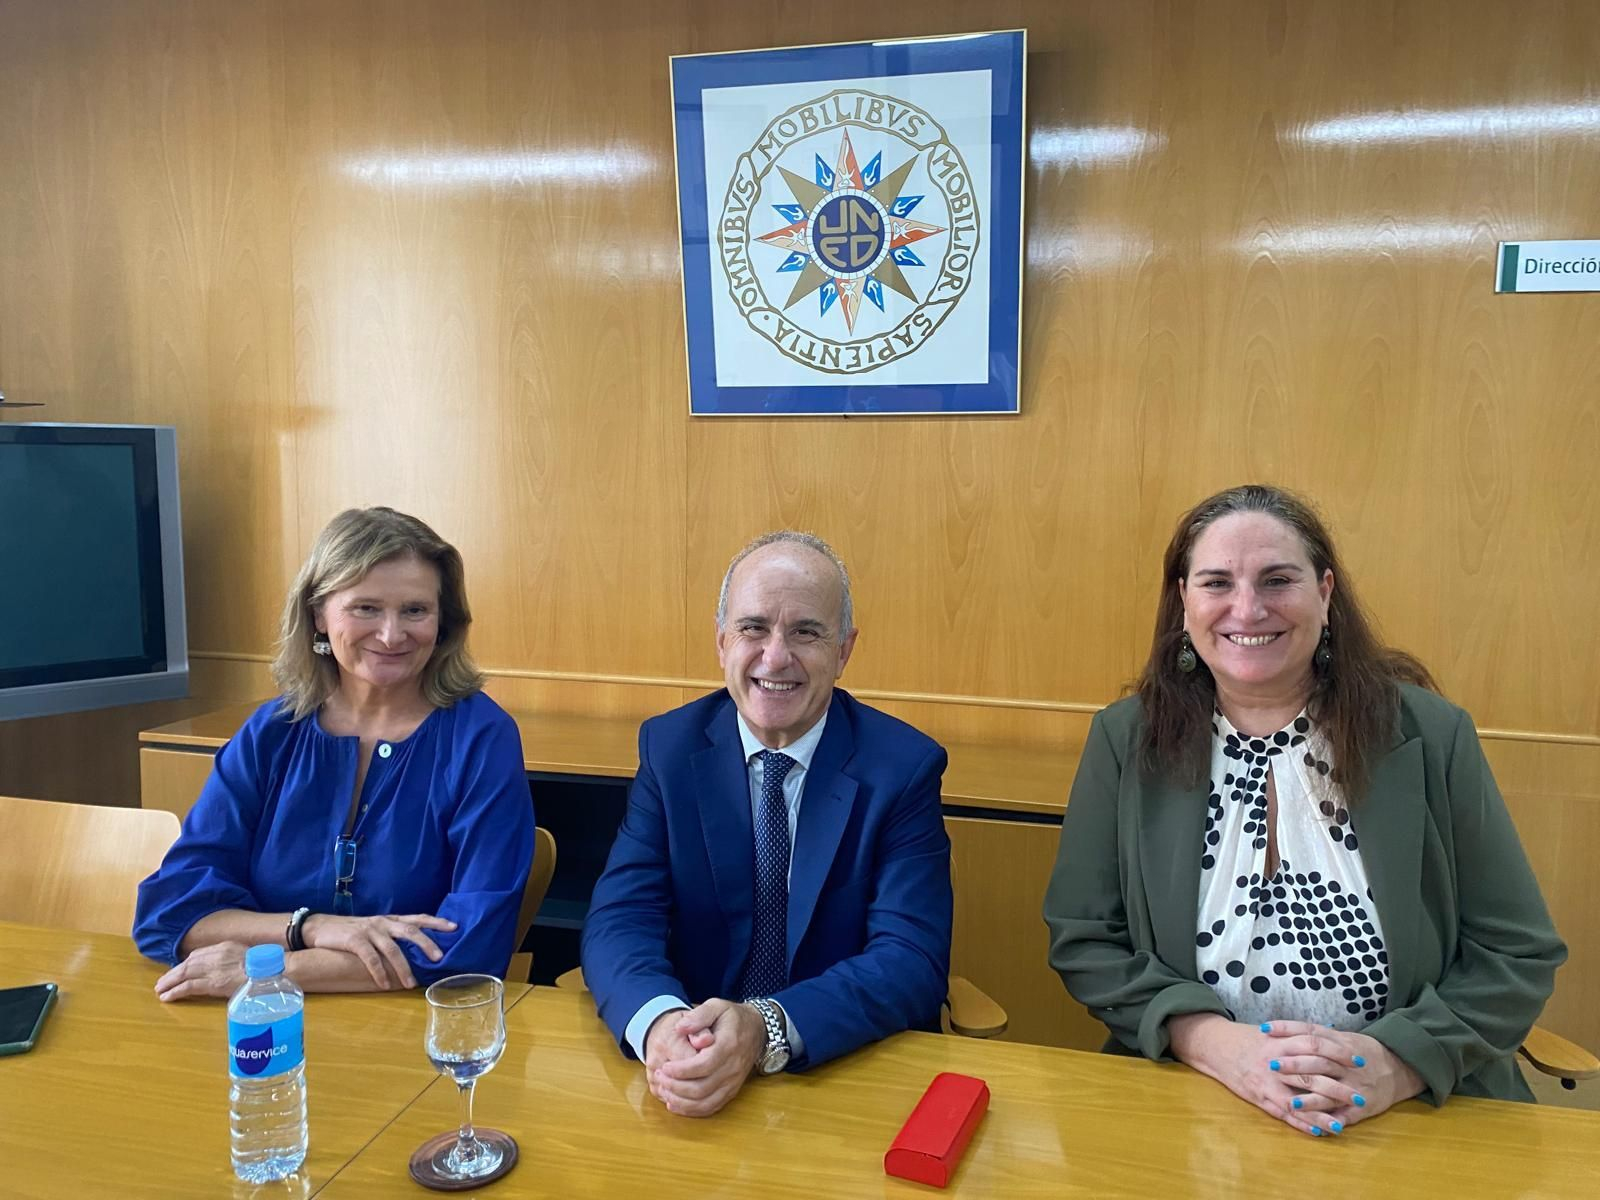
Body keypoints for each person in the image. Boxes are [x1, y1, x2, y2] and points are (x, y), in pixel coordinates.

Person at [1043, 484, 1565, 1137]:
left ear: (1325, 593)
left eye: (1277, 579)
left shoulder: (1430, 734)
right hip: (1194, 1099)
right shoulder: (1127, 739)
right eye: (1216, 583)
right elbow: (1087, 939)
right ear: (1184, 602)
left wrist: (1396, 1061)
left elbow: (1515, 951)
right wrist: (1209, 1042)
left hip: (1414, 1106)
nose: (1247, 607)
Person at [580, 531, 952, 1118]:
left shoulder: (902, 768)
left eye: (806, 631)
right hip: (690, 1070)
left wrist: (765, 1028)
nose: (775, 657)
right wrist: (660, 1024)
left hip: (846, 1074)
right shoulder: (669, 748)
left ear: (845, 649)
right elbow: (621, 917)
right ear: (721, 639)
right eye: (753, 627)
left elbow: (912, 957)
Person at [134, 507, 534, 1000]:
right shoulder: (271, 731)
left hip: (407, 1025)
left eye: (415, 610)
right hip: (257, 1024)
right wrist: (310, 927)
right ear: (319, 613)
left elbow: (472, 943)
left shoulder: (481, 737)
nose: (391, 635)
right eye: (365, 608)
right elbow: (169, 912)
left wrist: (272, 971)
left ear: (443, 620)